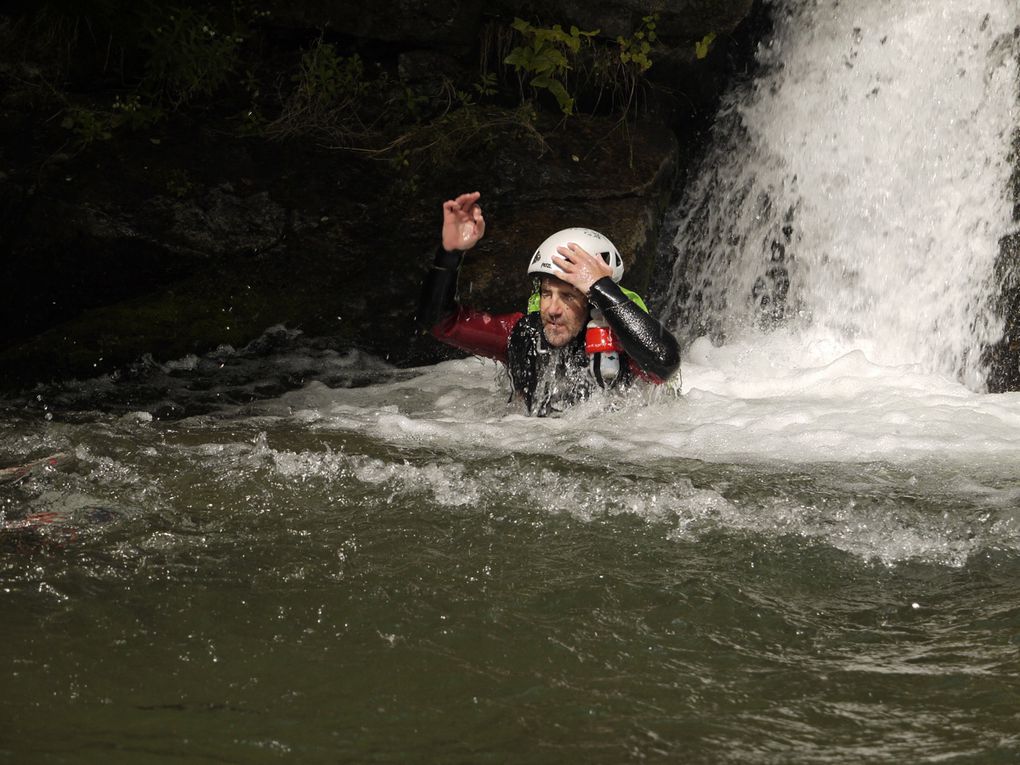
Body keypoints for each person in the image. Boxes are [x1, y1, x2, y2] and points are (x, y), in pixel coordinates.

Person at [417, 191, 681, 416]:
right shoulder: (523, 334)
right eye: (546, 294)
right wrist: (449, 254)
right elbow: (440, 323)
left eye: (568, 297)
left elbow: (665, 361)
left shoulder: (625, 345)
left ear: (592, 302)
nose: (553, 310)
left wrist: (599, 285)